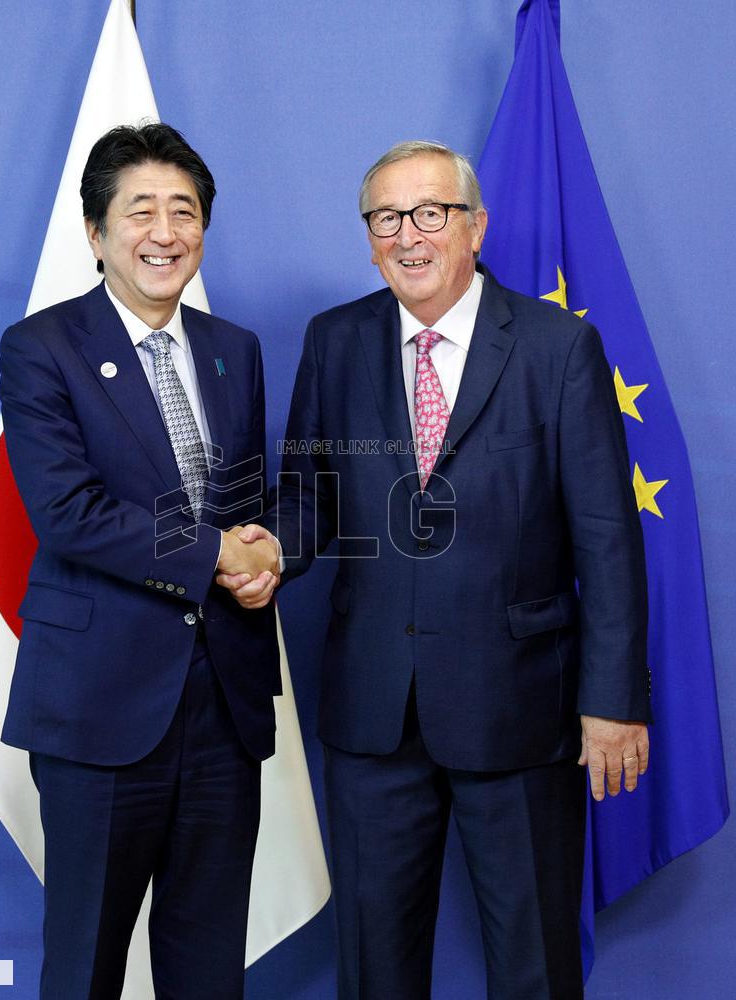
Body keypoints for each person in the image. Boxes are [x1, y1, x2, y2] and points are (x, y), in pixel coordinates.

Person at [219, 141, 651, 999]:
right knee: (376, 972)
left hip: (520, 707)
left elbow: (605, 537)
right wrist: (268, 550)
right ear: (369, 236)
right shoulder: (334, 339)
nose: (407, 237)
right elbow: (308, 499)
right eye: (385, 218)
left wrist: (611, 703)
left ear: (474, 226)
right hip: (373, 711)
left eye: (430, 214)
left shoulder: (556, 346)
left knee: (535, 968)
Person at [0, 122, 281, 1000]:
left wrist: (267, 552)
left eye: (184, 211)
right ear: (95, 232)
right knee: (85, 964)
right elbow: (69, 512)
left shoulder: (235, 349)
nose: (165, 232)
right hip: (100, 704)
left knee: (208, 969)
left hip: (224, 704)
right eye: (141, 210)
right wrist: (215, 554)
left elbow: (241, 505)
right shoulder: (42, 347)